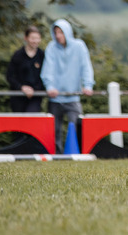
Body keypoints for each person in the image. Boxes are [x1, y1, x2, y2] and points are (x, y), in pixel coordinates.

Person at [41, 18, 95, 153]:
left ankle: (78, 154)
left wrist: (88, 85)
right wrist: (50, 87)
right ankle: (56, 156)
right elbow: (48, 68)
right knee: (54, 131)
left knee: (76, 127)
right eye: (56, 33)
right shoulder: (51, 47)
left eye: (61, 32)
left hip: (73, 97)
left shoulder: (79, 46)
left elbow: (86, 67)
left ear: (67, 32)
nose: (58, 36)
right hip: (56, 97)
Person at [6, 25, 46, 113]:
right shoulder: (18, 55)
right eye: (32, 38)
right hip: (18, 96)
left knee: (32, 117)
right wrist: (21, 87)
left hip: (35, 96)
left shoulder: (42, 55)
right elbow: (10, 76)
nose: (35, 41)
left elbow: (46, 75)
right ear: (26, 38)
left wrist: (34, 90)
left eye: (37, 38)